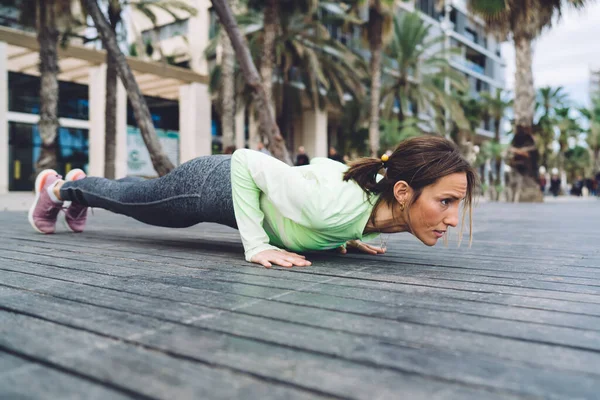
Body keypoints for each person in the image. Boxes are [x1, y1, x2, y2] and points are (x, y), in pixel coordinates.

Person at [28, 136, 477, 268]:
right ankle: (58, 188)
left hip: (226, 191)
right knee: (135, 200)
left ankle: (78, 186)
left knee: (135, 194)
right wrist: (256, 246)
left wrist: (341, 234)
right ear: (403, 193)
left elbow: (321, 171)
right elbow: (244, 160)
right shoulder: (334, 206)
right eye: (446, 202)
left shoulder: (366, 206)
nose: (453, 219)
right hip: (211, 185)